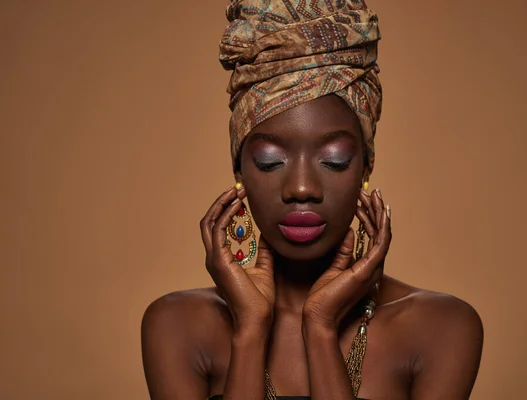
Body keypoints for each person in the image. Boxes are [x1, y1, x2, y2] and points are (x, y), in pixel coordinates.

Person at [141, 1, 484, 399]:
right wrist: (251, 328)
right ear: (239, 171)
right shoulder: (177, 327)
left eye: (334, 161)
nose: (301, 187)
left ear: (365, 168)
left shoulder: (440, 328)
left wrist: (320, 327)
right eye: (270, 161)